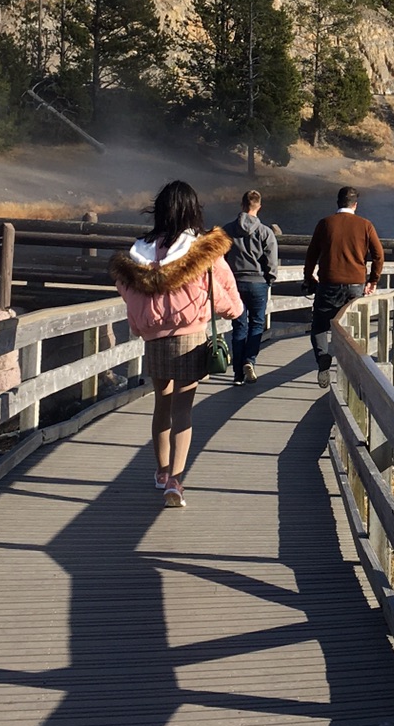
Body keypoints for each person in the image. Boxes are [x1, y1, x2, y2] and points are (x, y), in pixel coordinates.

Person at [111, 179, 243, 507]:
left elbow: (125, 289)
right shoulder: (202, 250)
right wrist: (236, 311)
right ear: (191, 210)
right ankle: (175, 481)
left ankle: (159, 471)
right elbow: (222, 290)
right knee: (184, 410)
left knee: (162, 405)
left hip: (155, 339)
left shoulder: (139, 252)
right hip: (190, 337)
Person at [303, 185, 383, 387]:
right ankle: (349, 372)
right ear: (355, 204)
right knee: (351, 328)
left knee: (320, 326)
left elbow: (311, 254)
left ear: (337, 202)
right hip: (355, 284)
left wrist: (308, 278)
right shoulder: (365, 225)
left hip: (328, 283)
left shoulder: (325, 224)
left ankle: (322, 358)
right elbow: (378, 255)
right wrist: (373, 280)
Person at [222, 188, 278, 386]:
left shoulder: (227, 230)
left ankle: (237, 374)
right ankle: (249, 361)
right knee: (256, 324)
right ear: (259, 207)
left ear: (242, 205)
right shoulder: (265, 232)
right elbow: (271, 261)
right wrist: (270, 279)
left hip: (234, 283)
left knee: (239, 326)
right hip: (258, 283)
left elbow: (220, 257)